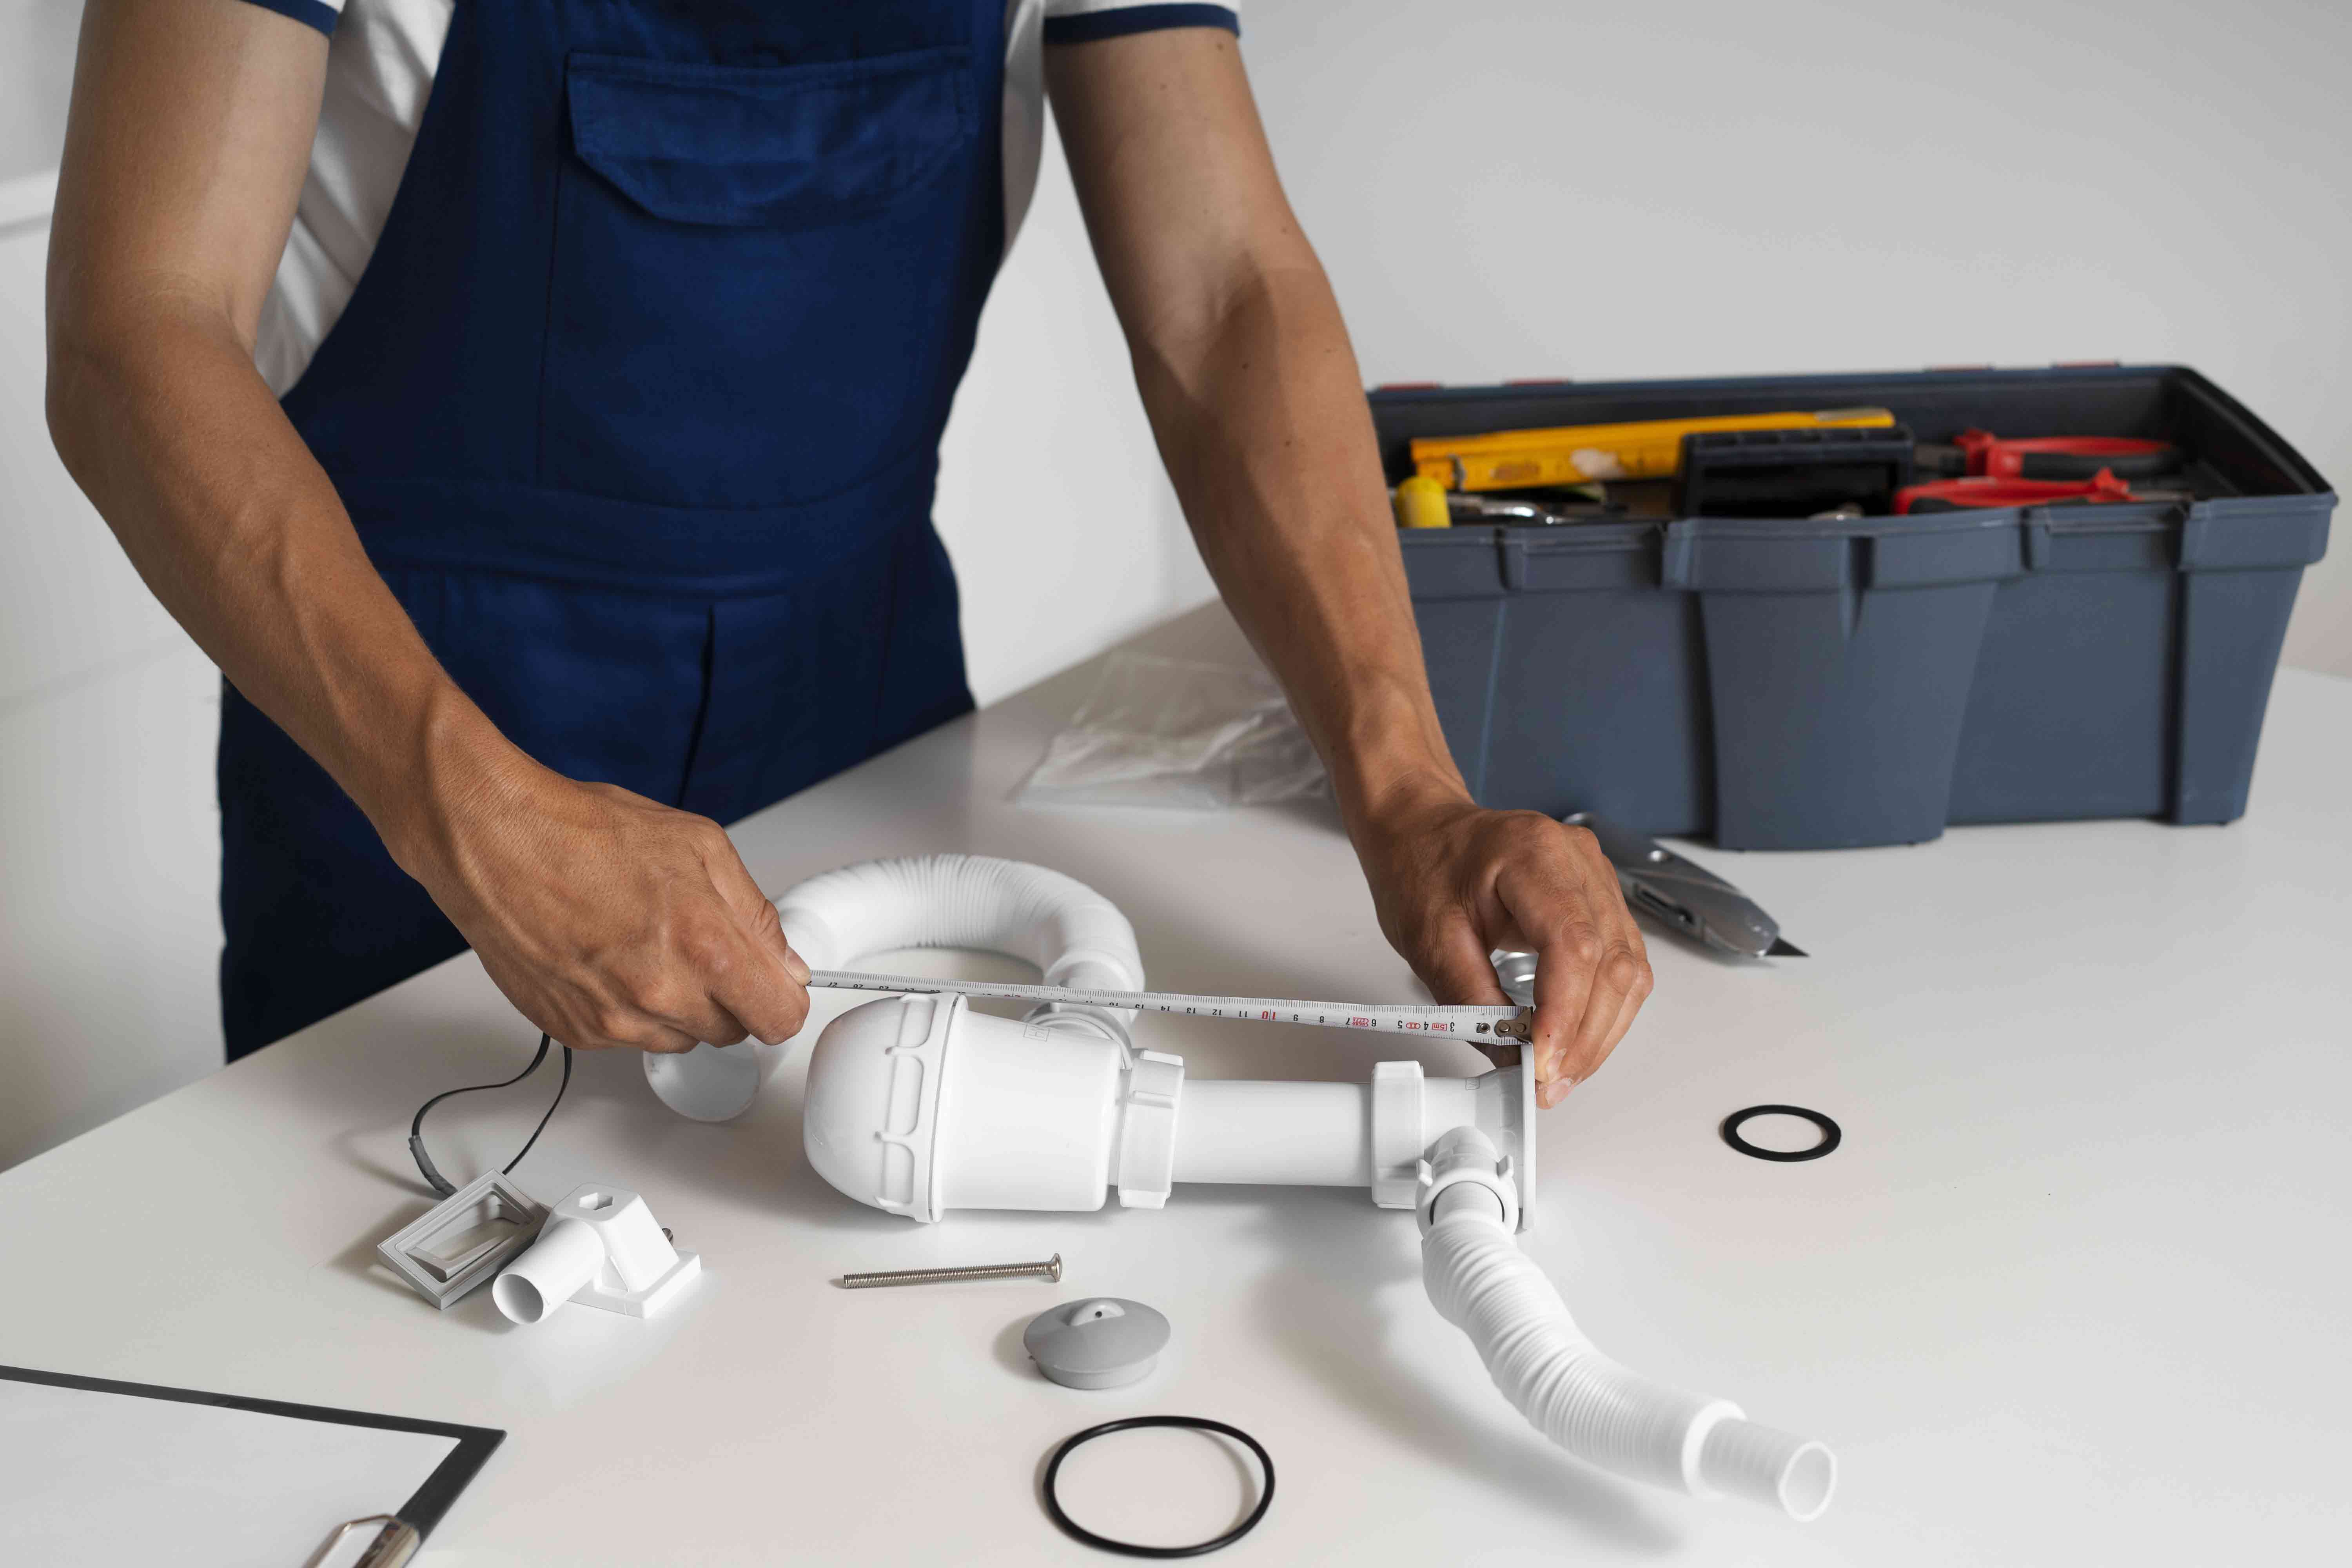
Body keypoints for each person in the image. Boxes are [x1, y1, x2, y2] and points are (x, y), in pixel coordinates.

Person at [46, 0, 1649, 1109]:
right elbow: (137, 333)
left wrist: (1411, 791)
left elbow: (1228, 289)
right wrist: (469, 811)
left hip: (867, 711)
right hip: (412, 755)